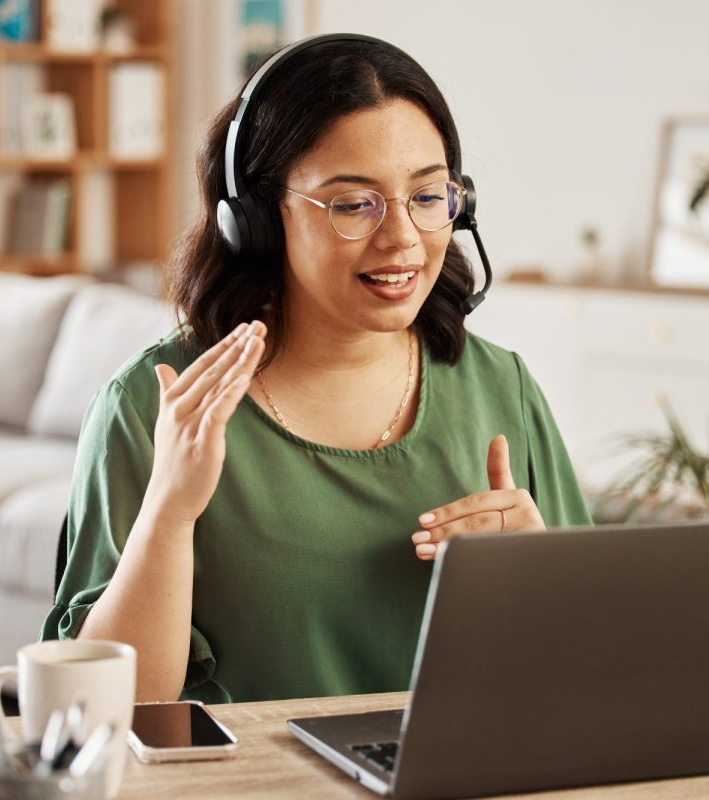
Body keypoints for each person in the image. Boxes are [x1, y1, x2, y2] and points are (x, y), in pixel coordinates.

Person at [42, 34, 591, 705]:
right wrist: (169, 513)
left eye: (426, 197)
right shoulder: (155, 405)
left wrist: (539, 576)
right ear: (256, 220)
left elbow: (585, 679)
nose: (402, 239)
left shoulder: (502, 388)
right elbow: (109, 714)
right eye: (354, 204)